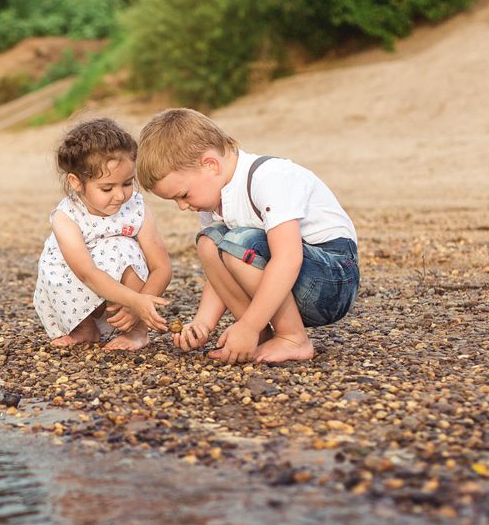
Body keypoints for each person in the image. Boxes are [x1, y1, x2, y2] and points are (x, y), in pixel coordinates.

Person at [136, 108, 358, 363]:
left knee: (236, 244)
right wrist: (203, 324)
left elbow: (288, 258)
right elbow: (219, 268)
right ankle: (261, 335)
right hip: (291, 282)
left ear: (210, 164)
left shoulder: (269, 177)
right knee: (210, 242)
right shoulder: (214, 200)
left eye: (183, 195)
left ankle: (292, 338)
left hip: (332, 280)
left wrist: (247, 326)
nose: (182, 206)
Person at [33, 117, 172, 350]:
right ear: (76, 182)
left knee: (122, 246)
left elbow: (162, 267)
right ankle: (83, 327)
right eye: (107, 188)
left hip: (126, 296)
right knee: (54, 264)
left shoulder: (136, 208)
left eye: (127, 183)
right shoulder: (66, 216)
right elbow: (87, 273)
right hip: (75, 288)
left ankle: (136, 332)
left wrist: (138, 305)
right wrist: (133, 300)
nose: (119, 195)